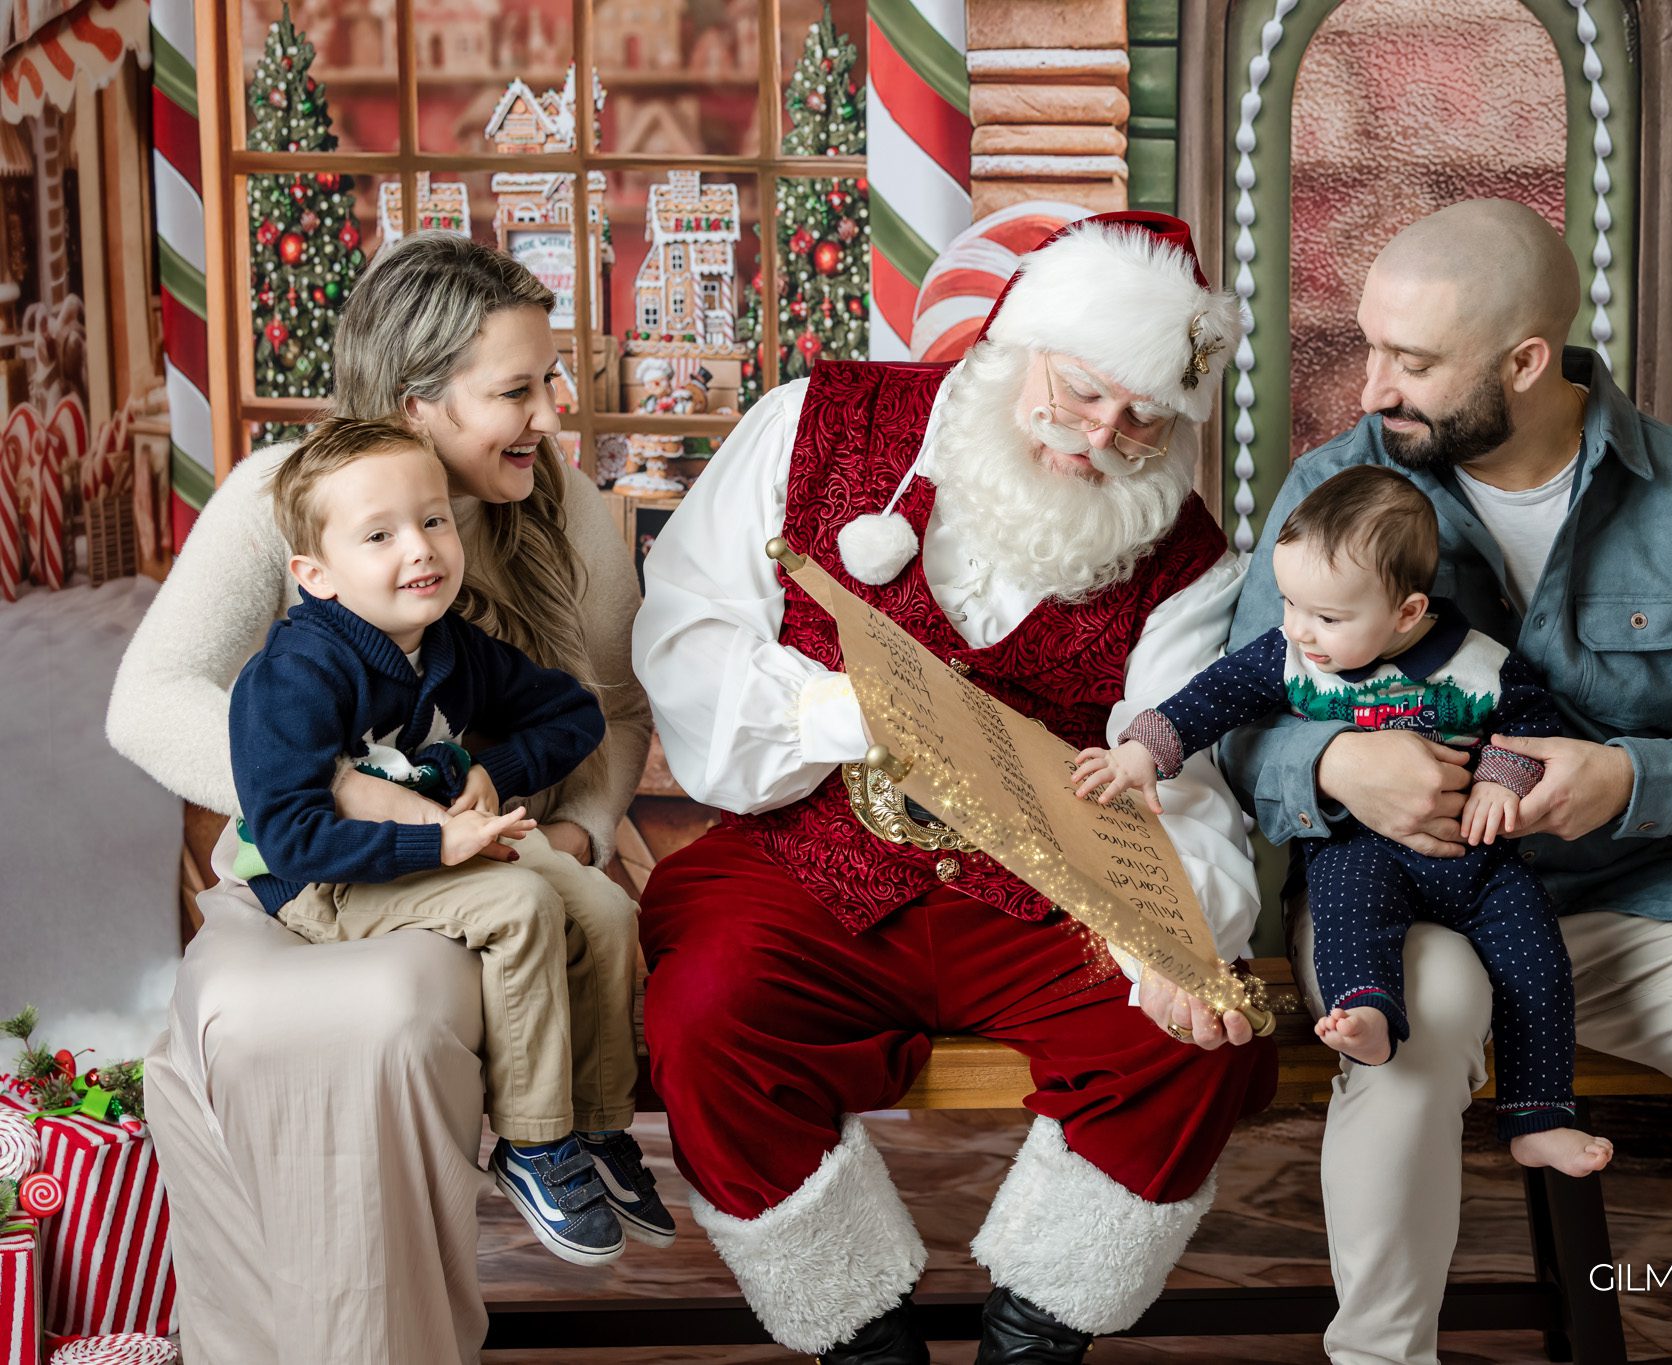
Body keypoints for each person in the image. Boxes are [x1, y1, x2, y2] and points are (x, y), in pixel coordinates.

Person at [1218, 198, 1672, 1365]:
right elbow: (1239, 717)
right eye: (1369, 347)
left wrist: (1629, 777)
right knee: (1418, 1025)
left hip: (1631, 894)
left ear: (1524, 361)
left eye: (1410, 362)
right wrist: (1331, 763)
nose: (1371, 388)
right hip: (1406, 893)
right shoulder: (1333, 485)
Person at [632, 212, 1277, 1365]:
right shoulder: (813, 423)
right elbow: (688, 632)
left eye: (1142, 418)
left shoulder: (1182, 554)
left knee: (1193, 1042)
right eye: (1081, 392)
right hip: (807, 859)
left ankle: (1035, 1337)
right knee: (704, 1014)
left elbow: (1180, 777)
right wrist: (846, 709)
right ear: (1019, 342)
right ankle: (857, 1336)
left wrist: (1175, 946)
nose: (1099, 436)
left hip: (1042, 892)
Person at [107, 232, 653, 1364]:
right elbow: (148, 701)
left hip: (511, 864)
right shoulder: (284, 496)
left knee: (411, 1006)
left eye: (548, 382)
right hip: (311, 874)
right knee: (285, 1032)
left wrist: (569, 831)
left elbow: (613, 711)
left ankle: (415, 1299)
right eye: (517, 390)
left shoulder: (570, 521)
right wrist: (353, 794)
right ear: (416, 407)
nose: (551, 416)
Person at [1073, 464, 1612, 1177]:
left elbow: (1531, 725)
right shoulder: (1294, 658)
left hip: (1475, 859)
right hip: (1359, 846)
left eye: (1327, 616)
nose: (1300, 628)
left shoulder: (1479, 664)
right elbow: (1213, 697)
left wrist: (1498, 781)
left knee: (1537, 955)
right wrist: (1146, 749)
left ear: (1407, 612)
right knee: (1348, 914)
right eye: (1292, 602)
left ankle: (1539, 1113)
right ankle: (1368, 1014)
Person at [227, 415, 672, 1267]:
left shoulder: (449, 644)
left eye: (433, 520)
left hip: (444, 835)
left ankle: (599, 1122)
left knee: (607, 907)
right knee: (521, 902)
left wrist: (495, 771)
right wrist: (435, 851)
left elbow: (573, 711)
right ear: (315, 574)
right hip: (328, 874)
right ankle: (533, 1143)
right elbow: (289, 835)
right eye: (380, 535)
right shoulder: (292, 676)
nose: (421, 548)